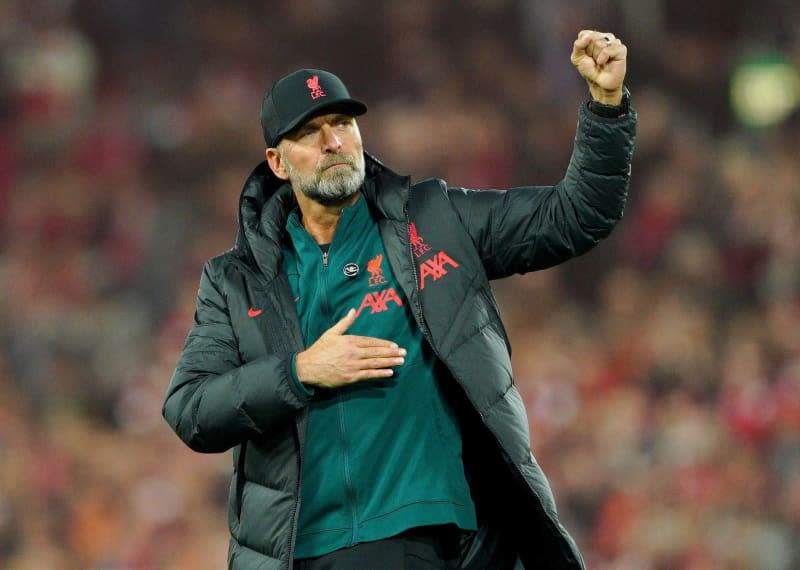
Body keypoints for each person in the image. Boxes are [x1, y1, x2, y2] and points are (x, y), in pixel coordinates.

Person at [163, 29, 636, 570]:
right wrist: (299, 372)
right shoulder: (234, 279)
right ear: (277, 162)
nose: (334, 142)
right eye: (310, 132)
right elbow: (190, 409)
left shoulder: (434, 219)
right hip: (295, 552)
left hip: (419, 532)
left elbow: (574, 216)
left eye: (342, 124)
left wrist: (605, 108)